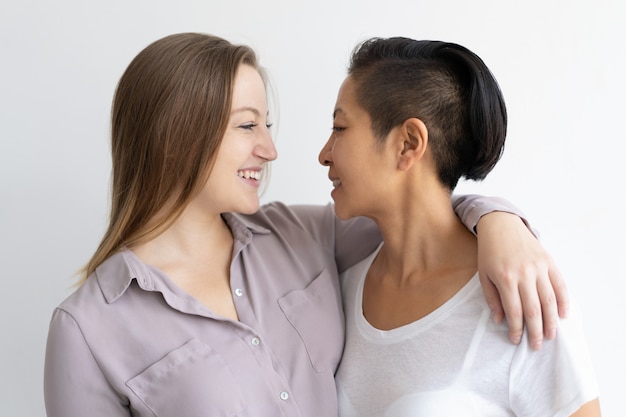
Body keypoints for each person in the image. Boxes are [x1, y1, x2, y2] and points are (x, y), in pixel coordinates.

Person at [44, 32, 567, 417]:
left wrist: (498, 220)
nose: (270, 150)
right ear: (177, 134)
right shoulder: (87, 330)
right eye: (248, 125)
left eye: (266, 126)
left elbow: (418, 211)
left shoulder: (307, 235)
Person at [320, 37, 600, 416]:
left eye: (340, 128)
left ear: (408, 144)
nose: (324, 154)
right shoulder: (336, 286)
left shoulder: (523, 299)